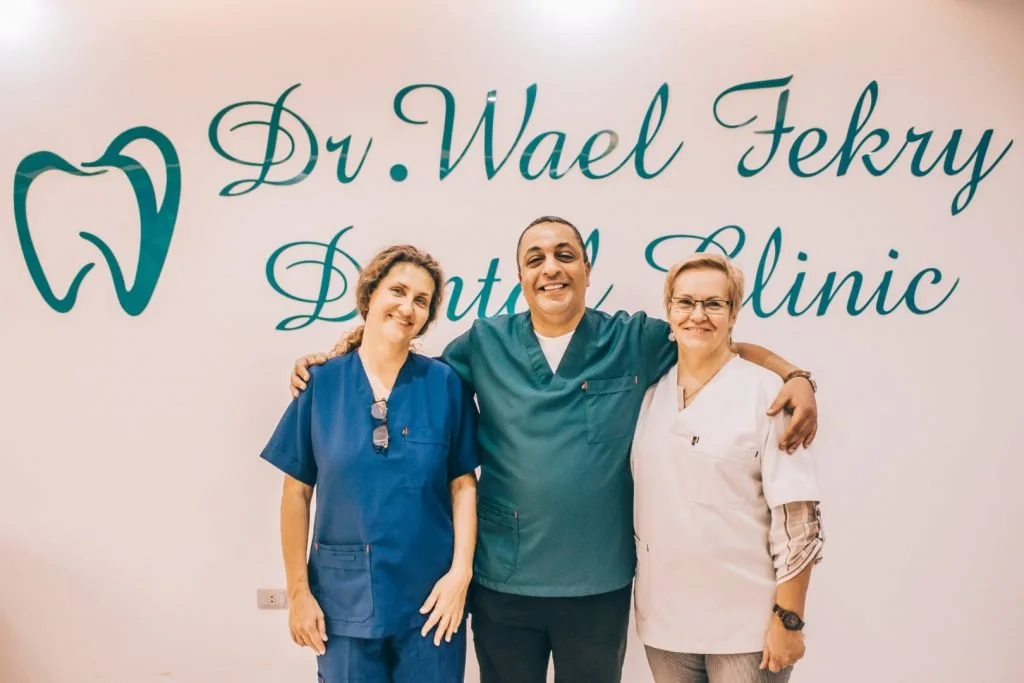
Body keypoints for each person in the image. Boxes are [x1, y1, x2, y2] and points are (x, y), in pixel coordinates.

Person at [287, 217, 820, 683]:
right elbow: (409, 364)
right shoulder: (485, 343)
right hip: (504, 581)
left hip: (598, 581)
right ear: (519, 276)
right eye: (535, 258)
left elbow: (711, 340)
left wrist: (792, 374)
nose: (552, 268)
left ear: (588, 270)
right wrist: (340, 355)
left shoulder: (630, 339)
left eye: (566, 255)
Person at [259, 245, 480, 683]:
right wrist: (298, 592)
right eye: (397, 291)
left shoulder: (445, 384)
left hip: (431, 602)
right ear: (369, 297)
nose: (407, 307)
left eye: (421, 300)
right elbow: (296, 494)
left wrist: (460, 575)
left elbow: (464, 486)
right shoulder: (320, 383)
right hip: (342, 604)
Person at [631, 252, 824, 683]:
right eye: (685, 303)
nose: (697, 315)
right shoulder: (650, 391)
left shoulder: (768, 394)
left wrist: (789, 620)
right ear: (669, 310)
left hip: (747, 629)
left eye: (714, 304)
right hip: (666, 626)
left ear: (734, 313)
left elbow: (799, 521)